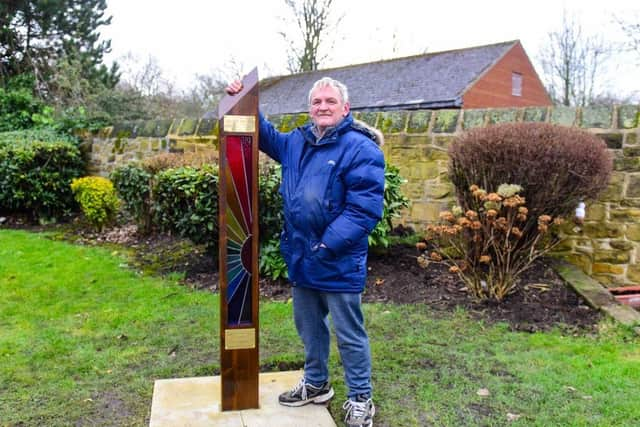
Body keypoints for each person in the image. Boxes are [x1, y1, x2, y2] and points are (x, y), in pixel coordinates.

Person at [226, 76, 384, 427]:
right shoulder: (297, 142)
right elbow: (265, 136)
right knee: (309, 328)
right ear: (309, 108)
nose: (322, 107)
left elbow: (364, 210)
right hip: (301, 257)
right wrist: (246, 100)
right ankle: (316, 384)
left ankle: (360, 398)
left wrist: (327, 244)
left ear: (345, 108)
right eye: (317, 102)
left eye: (330, 101)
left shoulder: (362, 149)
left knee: (349, 334)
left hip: (336, 260)